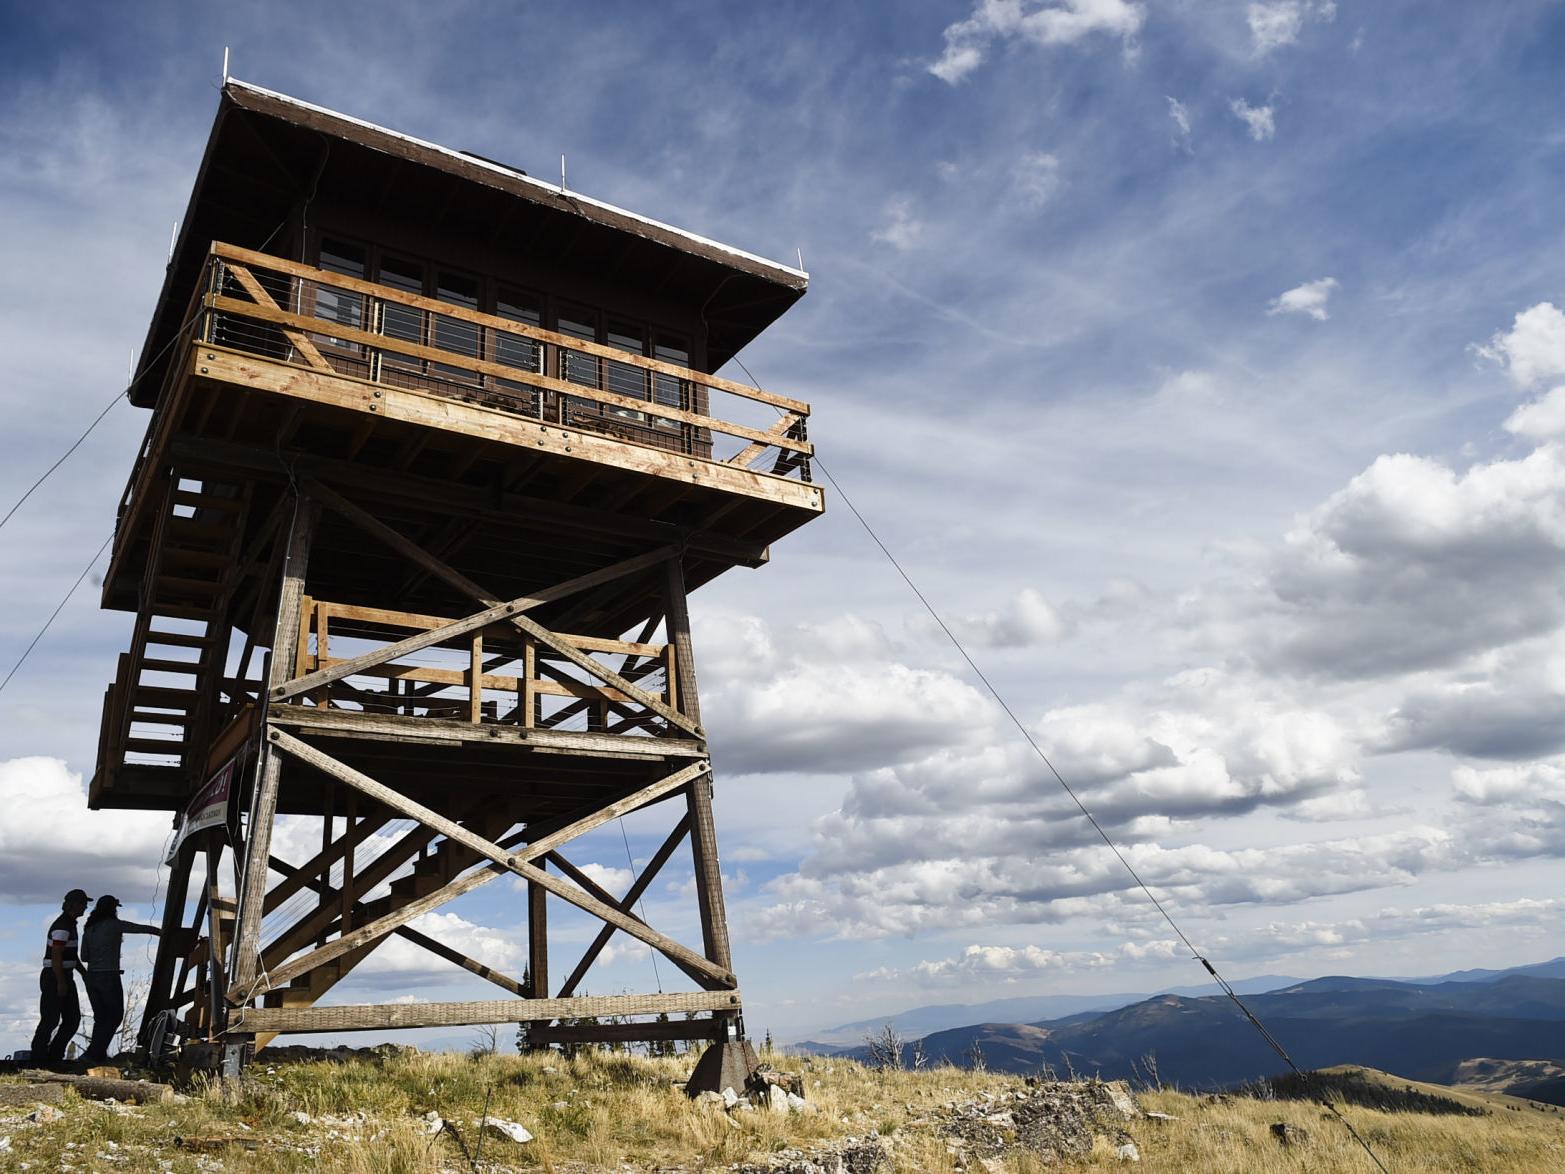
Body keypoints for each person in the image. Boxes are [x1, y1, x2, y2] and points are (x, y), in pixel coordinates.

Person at [80, 895, 161, 1066]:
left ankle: (96, 1054)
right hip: (109, 976)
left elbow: (84, 957)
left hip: (91, 977)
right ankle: (94, 1054)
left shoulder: (89, 929)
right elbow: (136, 928)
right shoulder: (114, 925)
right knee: (115, 1015)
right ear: (112, 909)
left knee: (101, 1018)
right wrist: (159, 931)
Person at [31, 888, 90, 1065]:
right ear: (73, 905)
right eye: (82, 904)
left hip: (64, 974)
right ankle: (38, 1059)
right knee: (50, 1019)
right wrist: (61, 982)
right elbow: (56, 956)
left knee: (72, 1019)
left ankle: (54, 1056)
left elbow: (70, 955)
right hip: (55, 976)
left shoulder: (70, 925)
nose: (85, 907)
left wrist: (82, 973)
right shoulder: (62, 926)